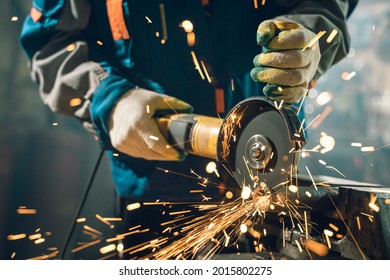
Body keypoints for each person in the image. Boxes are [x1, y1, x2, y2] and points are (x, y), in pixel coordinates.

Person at [20, 0, 357, 259]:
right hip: (156, 198)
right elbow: (50, 44)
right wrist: (110, 100)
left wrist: (308, 35)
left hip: (273, 176)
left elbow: (325, 5)